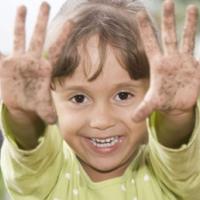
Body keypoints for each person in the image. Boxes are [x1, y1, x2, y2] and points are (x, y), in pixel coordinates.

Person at [0, 0, 200, 199]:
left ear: (155, 95)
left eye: (123, 95)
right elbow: (30, 146)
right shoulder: (47, 174)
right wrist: (24, 115)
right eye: (79, 98)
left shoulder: (172, 176)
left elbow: (178, 150)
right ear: (50, 99)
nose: (102, 121)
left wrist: (177, 115)